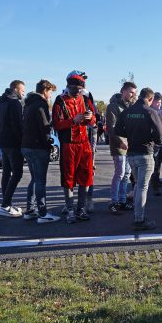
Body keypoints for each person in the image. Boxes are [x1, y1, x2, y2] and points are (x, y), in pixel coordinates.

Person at [115, 88, 162, 230]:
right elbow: (160, 137)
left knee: (138, 186)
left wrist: (131, 135)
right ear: (150, 99)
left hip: (131, 154)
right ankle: (139, 219)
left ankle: (138, 216)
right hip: (145, 153)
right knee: (142, 188)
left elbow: (117, 130)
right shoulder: (150, 111)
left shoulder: (127, 111)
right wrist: (151, 137)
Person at [52, 72, 96, 224]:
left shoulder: (85, 99)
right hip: (68, 145)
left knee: (85, 176)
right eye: (74, 88)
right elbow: (56, 124)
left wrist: (91, 118)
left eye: (79, 88)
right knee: (68, 178)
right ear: (68, 86)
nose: (77, 91)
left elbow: (94, 119)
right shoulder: (60, 101)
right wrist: (72, 120)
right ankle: (70, 209)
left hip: (84, 144)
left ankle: (81, 208)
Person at [21, 80, 62, 223]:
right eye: (50, 92)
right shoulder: (41, 104)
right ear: (45, 90)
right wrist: (49, 144)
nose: (50, 95)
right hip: (38, 146)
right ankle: (43, 213)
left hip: (26, 145)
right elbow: (44, 128)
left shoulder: (28, 104)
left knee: (34, 179)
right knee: (40, 181)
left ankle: (30, 210)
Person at [0, 80, 25, 217]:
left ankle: (6, 203)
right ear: (16, 89)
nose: (23, 93)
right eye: (22, 90)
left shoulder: (0, 104)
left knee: (6, 173)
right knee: (17, 174)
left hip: (3, 142)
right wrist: (22, 141)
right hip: (13, 143)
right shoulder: (15, 104)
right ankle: (5, 205)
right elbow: (17, 125)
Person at [106, 82, 137, 215]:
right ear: (123, 91)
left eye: (134, 93)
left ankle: (123, 201)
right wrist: (121, 142)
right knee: (119, 173)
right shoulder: (113, 106)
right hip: (118, 145)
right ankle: (114, 202)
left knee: (126, 175)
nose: (133, 95)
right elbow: (111, 128)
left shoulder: (132, 107)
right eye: (130, 92)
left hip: (130, 144)